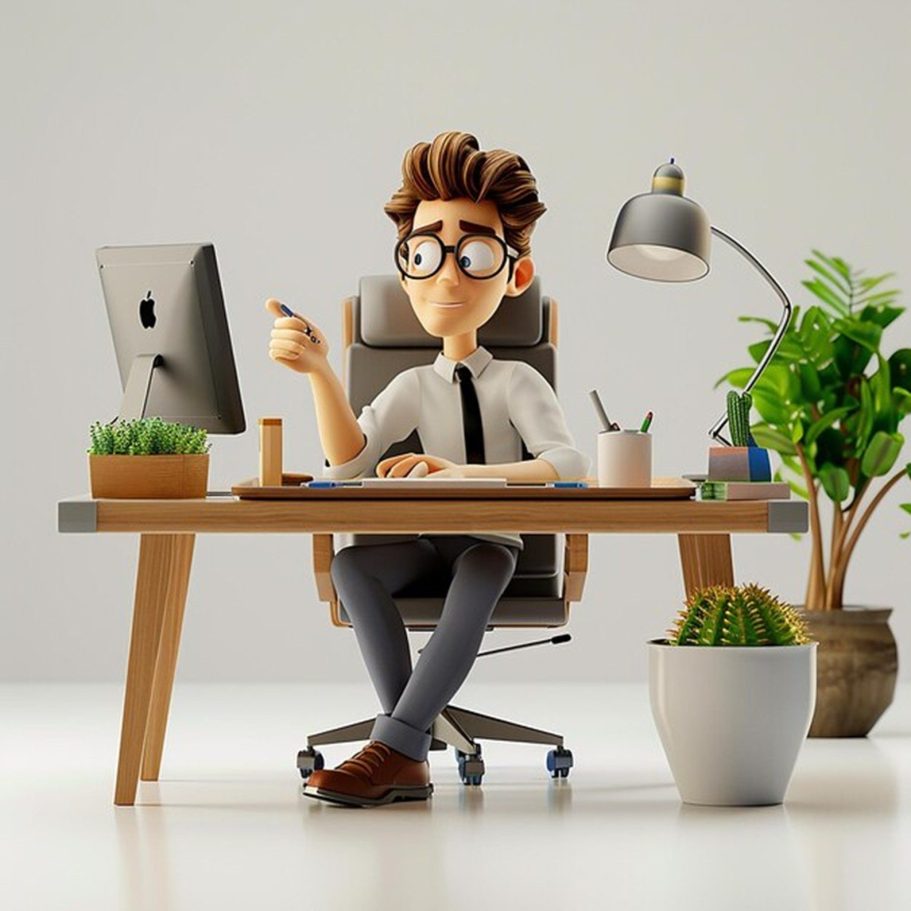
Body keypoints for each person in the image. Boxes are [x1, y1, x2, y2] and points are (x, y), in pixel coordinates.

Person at [266, 131, 589, 807]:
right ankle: (405, 750)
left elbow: (565, 465)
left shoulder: (517, 379)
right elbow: (348, 460)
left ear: (515, 274)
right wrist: (321, 371)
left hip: (490, 541)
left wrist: (459, 475)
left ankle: (393, 746)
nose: (445, 275)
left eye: (471, 254)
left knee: (478, 570)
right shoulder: (414, 381)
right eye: (423, 253)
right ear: (405, 269)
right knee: (353, 566)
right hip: (421, 542)